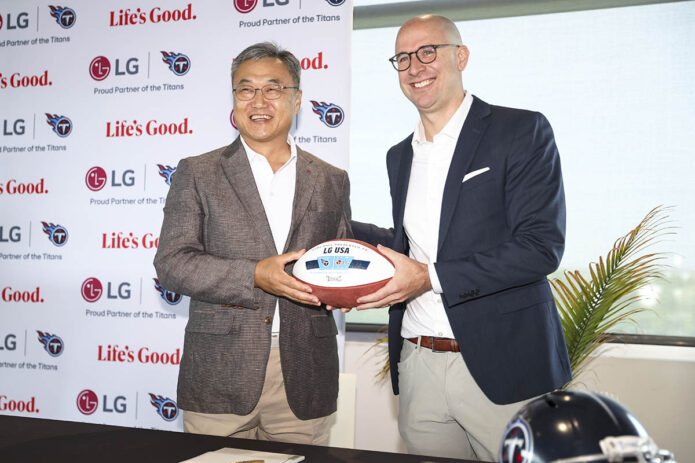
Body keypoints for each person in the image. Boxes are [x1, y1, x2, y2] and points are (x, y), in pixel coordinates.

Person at [349, 15, 572, 461]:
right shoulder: (399, 155)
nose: (415, 66)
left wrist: (430, 278)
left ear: (461, 56)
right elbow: (414, 244)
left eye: (428, 51)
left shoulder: (521, 131)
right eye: (403, 58)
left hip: (502, 364)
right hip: (418, 363)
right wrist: (337, 228)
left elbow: (540, 246)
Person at [154, 42, 351, 445]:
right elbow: (171, 263)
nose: (258, 101)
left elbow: (340, 256)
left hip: (306, 374)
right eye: (246, 89)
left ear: (297, 100)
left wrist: (346, 288)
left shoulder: (331, 178)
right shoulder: (198, 172)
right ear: (233, 99)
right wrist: (254, 275)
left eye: (273, 89)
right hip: (219, 373)